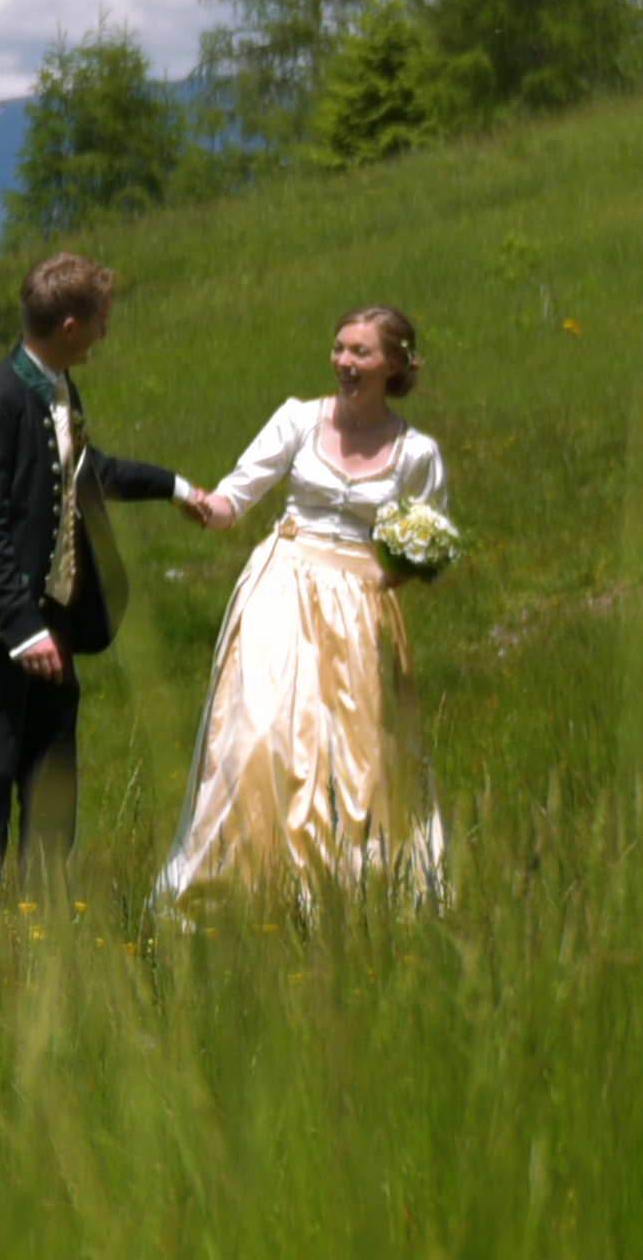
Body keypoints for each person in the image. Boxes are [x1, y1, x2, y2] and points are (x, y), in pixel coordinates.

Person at [151, 302, 453, 913]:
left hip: (359, 602)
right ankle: (233, 888)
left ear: (394, 364)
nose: (344, 361)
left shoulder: (417, 452)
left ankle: (343, 896)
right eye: (339, 348)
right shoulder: (298, 419)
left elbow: (429, 536)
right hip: (281, 585)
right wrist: (204, 505)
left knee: (353, 752)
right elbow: (238, 495)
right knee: (258, 733)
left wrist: (401, 569)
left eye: (360, 351)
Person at [0, 249, 187, 908]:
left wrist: (178, 488)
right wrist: (21, 631)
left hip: (57, 626)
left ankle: (46, 920)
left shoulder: (58, 386)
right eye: (101, 321)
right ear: (70, 326)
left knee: (52, 779)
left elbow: (83, 471)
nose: (105, 332)